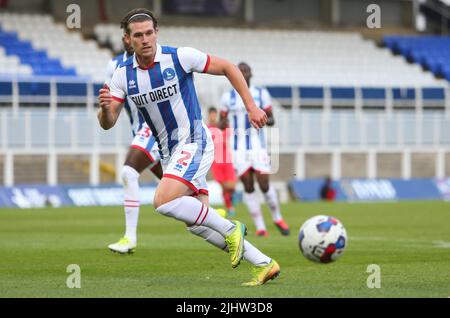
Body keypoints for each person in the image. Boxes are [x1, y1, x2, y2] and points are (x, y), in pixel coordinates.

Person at [98, 8, 280, 286]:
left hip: (195, 140)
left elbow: (228, 67)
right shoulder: (123, 75)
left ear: (156, 33)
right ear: (127, 39)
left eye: (149, 33)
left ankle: (232, 228)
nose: (145, 39)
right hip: (170, 152)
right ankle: (264, 264)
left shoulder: (179, 57)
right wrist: (105, 110)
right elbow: (108, 123)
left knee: (162, 201)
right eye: (138, 35)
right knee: (197, 224)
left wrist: (251, 107)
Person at [104, 34, 163, 254]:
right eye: (129, 34)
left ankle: (129, 238)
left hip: (156, 128)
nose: (131, 40)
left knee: (129, 172)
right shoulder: (115, 66)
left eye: (142, 34)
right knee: (174, 186)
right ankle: (214, 217)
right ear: (125, 37)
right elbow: (114, 102)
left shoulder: (160, 60)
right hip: (140, 130)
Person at [220, 62, 290, 237]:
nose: (243, 73)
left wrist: (266, 119)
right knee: (248, 186)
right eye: (240, 71)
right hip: (237, 149)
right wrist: (222, 124)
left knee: (264, 183)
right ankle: (261, 227)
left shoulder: (261, 94)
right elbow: (221, 122)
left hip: (257, 145)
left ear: (251, 74)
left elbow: (271, 118)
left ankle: (277, 218)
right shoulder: (227, 98)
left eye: (246, 71)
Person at [207, 107, 237, 217]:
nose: (213, 117)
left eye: (214, 114)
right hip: (216, 161)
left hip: (227, 159)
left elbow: (229, 139)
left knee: (232, 187)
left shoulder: (224, 127)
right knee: (224, 186)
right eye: (211, 115)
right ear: (209, 116)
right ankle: (230, 207)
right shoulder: (207, 129)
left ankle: (229, 200)